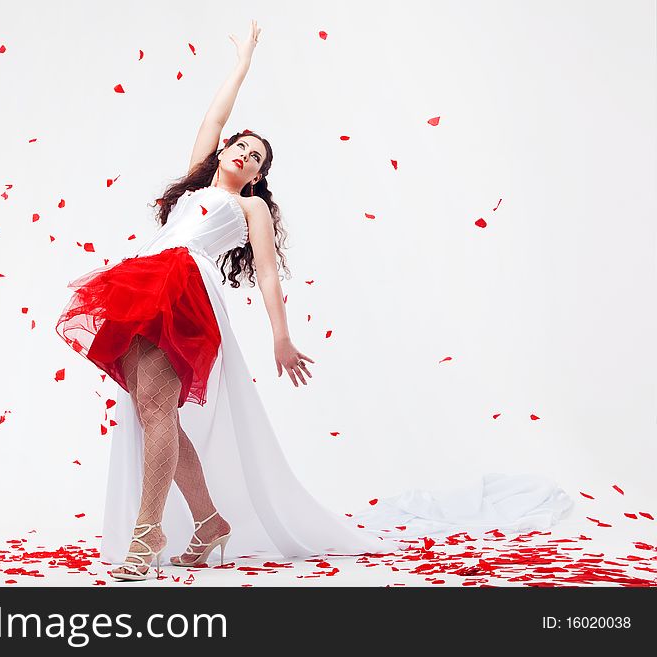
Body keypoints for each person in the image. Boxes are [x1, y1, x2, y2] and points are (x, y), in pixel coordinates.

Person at [55, 20, 573, 581]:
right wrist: (242, 63)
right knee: (154, 413)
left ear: (256, 179)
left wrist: (281, 336)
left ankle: (148, 531)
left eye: (256, 159)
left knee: (157, 409)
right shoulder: (196, 186)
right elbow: (213, 118)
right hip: (141, 284)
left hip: (183, 293)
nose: (244, 156)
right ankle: (209, 524)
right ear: (225, 151)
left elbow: (270, 276)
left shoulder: (248, 209)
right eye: (242, 148)